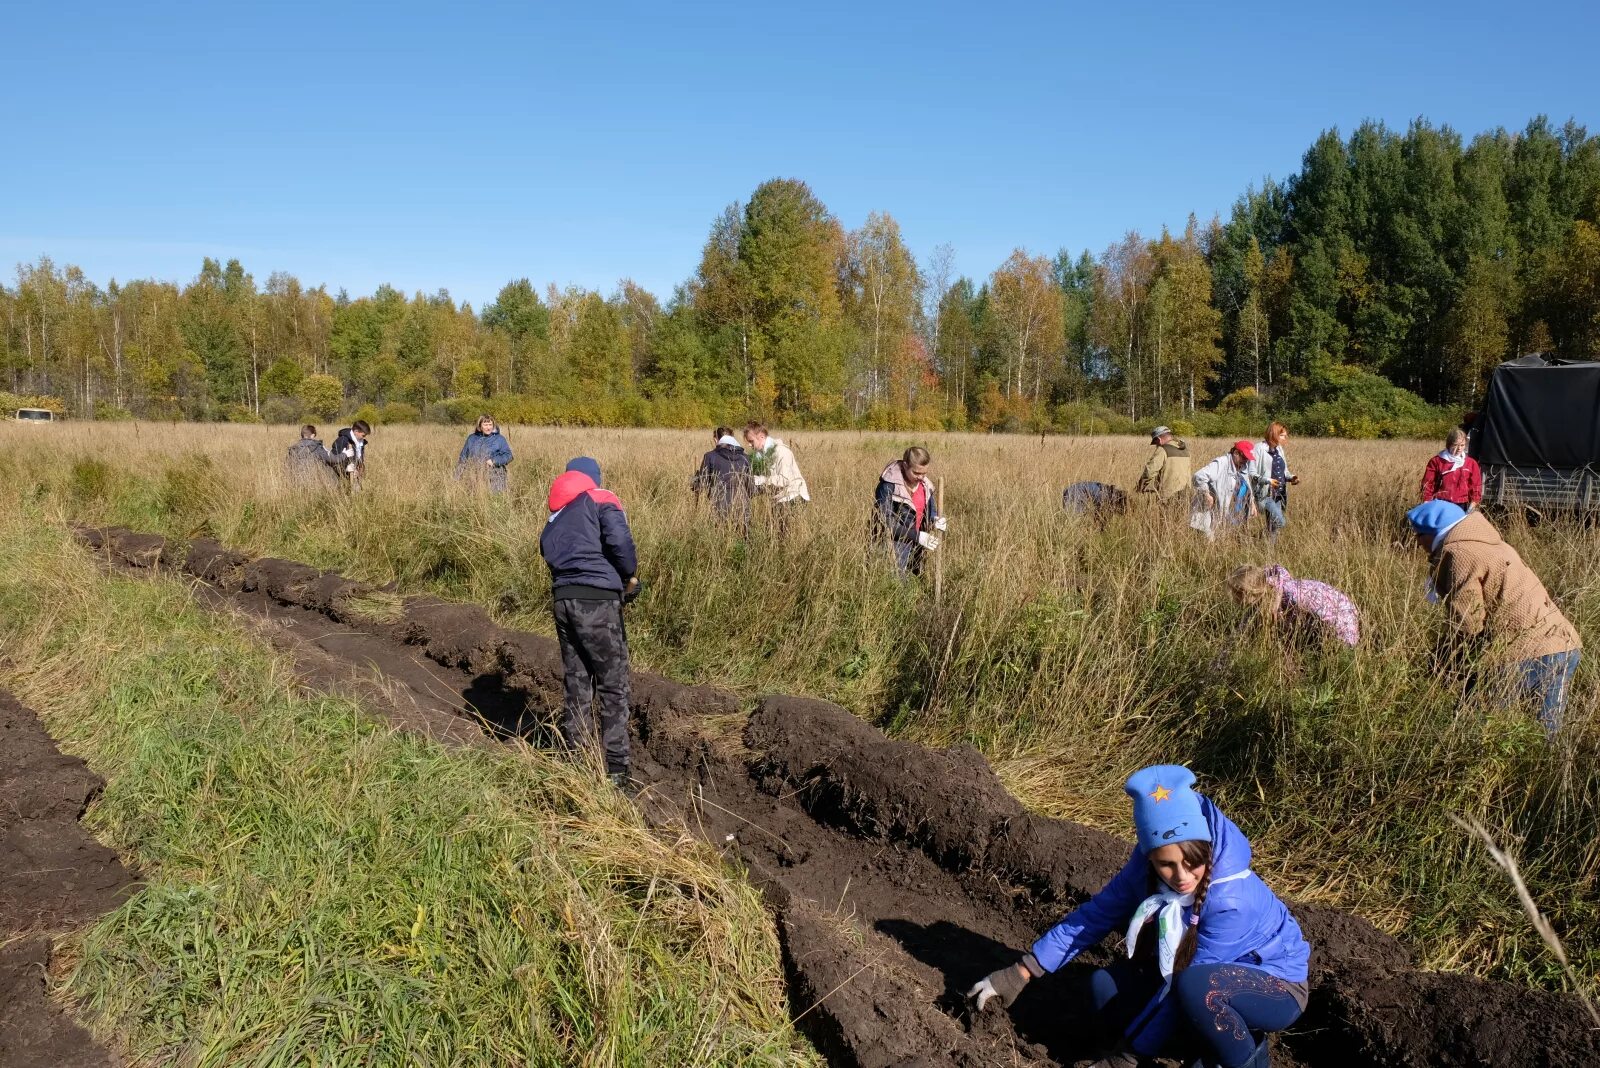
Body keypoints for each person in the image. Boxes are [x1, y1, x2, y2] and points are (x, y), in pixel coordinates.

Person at [967, 765, 1309, 1068]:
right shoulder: (1141, 870)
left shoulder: (1231, 898)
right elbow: (1094, 916)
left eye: (1192, 861)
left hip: (1274, 985)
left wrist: (1126, 1056)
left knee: (1196, 989)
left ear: (1205, 847)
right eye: (1167, 865)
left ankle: (1246, 1058)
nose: (1182, 876)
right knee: (1104, 989)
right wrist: (1023, 970)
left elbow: (1182, 987)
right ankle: (1200, 1043)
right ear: (1150, 858)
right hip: (1195, 983)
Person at [1406, 500, 1583, 733]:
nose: (1418, 543)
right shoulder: (1491, 542)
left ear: (1433, 533)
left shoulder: (1459, 553)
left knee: (1474, 724)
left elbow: (1467, 621)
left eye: (1419, 536)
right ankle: (1548, 768)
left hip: (1521, 651)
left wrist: (1445, 660)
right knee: (1546, 731)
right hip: (1563, 643)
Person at [539, 457, 640, 789]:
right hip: (597, 602)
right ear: (593, 477)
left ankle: (576, 760)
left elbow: (547, 550)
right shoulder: (600, 498)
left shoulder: (556, 514)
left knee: (578, 682)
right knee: (613, 684)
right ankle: (616, 770)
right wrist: (628, 577)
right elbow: (621, 544)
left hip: (562, 600)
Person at [1226, 565, 1359, 647]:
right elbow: (1239, 635)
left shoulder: (1290, 595)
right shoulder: (1267, 592)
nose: (1233, 598)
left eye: (1236, 594)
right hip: (1325, 620)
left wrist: (1343, 644)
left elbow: (1327, 617)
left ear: (1250, 592)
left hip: (1341, 623)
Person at [874, 446, 944, 575]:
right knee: (896, 585)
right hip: (895, 546)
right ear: (905, 466)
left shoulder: (926, 485)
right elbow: (886, 521)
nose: (921, 477)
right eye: (916, 473)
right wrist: (917, 536)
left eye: (924, 473)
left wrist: (935, 519)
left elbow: (930, 510)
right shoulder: (889, 485)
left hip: (918, 546)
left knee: (915, 578)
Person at [743, 422, 810, 528]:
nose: (749, 445)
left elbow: (784, 480)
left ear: (761, 436)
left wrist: (760, 480)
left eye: (751, 441)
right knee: (774, 535)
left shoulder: (781, 451)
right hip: (781, 500)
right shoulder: (761, 456)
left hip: (792, 498)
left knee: (778, 536)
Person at [692, 427, 755, 528]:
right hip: (742, 506)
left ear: (716, 439)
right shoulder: (745, 458)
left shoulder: (710, 456)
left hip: (719, 506)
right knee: (743, 538)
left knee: (719, 538)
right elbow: (751, 489)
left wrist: (695, 482)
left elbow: (702, 484)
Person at [1191, 441, 1256, 539]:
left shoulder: (1243, 466)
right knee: (1210, 540)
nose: (1246, 460)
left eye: (1247, 458)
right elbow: (1199, 476)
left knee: (1222, 538)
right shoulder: (1221, 463)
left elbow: (1247, 486)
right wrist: (1206, 494)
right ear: (1236, 453)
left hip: (1229, 516)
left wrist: (1252, 503)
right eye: (1244, 457)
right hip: (1210, 511)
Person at [1249, 423, 1298, 536]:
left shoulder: (1279, 449)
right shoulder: (1259, 448)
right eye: (1282, 435)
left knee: (1273, 527)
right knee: (1280, 522)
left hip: (1279, 494)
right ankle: (1256, 537)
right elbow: (1251, 473)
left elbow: (1284, 471)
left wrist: (1292, 478)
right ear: (1274, 434)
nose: (1285, 438)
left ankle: (1269, 552)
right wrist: (1268, 480)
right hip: (1265, 494)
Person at [1419, 429, 1482, 510]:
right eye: (1455, 445)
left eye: (1462, 445)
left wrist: (1474, 502)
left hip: (1462, 504)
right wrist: (1426, 501)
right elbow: (1427, 483)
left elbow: (1476, 485)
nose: (1459, 448)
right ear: (1449, 444)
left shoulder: (1471, 463)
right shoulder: (1437, 461)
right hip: (1439, 503)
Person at [456, 414, 514, 493]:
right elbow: (463, 458)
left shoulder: (499, 439)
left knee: (494, 500)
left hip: (496, 476)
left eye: (490, 425)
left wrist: (494, 461)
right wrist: (457, 477)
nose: (488, 427)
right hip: (476, 476)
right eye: (485, 425)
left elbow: (509, 455)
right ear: (479, 426)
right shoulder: (471, 438)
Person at [1135, 426, 1192, 502]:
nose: (1156, 445)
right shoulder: (1185, 450)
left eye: (1155, 442)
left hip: (1169, 496)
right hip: (1186, 494)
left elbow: (1150, 471)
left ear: (1159, 439)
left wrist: (1140, 486)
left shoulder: (1163, 449)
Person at [286, 424, 340, 489]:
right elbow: (332, 460)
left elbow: (287, 466)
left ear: (302, 435)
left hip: (296, 483)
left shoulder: (293, 448)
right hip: (314, 482)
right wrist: (345, 454)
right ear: (313, 435)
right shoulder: (317, 447)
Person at [331, 419, 371, 492]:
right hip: (341, 477)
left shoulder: (361, 442)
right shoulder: (342, 440)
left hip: (355, 475)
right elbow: (333, 460)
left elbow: (360, 458)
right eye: (363, 435)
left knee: (357, 494)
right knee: (344, 494)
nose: (364, 437)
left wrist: (360, 469)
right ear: (356, 432)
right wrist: (345, 467)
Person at [1062, 481, 1129, 520]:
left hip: (1070, 491)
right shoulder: (1104, 495)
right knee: (1076, 521)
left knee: (1071, 519)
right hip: (1075, 494)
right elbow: (1099, 514)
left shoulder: (1103, 489)